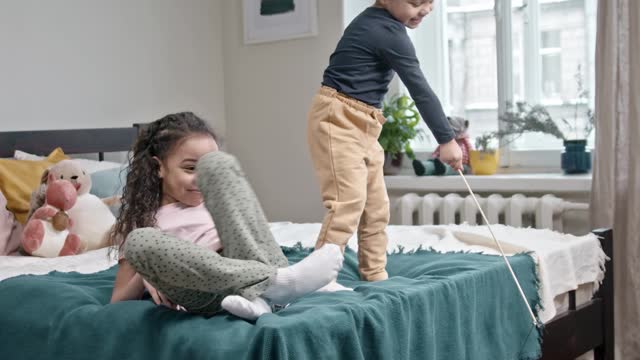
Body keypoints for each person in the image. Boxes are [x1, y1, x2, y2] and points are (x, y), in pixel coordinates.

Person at [109, 112, 343, 320]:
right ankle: (279, 282)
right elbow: (118, 300)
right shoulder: (142, 220)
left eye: (205, 170)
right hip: (206, 290)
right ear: (158, 167)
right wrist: (149, 271)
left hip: (247, 258)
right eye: (190, 168)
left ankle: (262, 300)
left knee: (220, 165)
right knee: (139, 241)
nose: (200, 179)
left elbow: (248, 234)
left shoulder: (213, 199)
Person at [307, 0, 463, 283]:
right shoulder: (385, 32)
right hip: (338, 119)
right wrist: (446, 139)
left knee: (377, 207)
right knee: (347, 203)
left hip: (367, 123)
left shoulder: (388, 26)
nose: (425, 9)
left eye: (431, 1)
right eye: (416, 2)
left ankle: (375, 273)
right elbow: (420, 89)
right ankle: (318, 280)